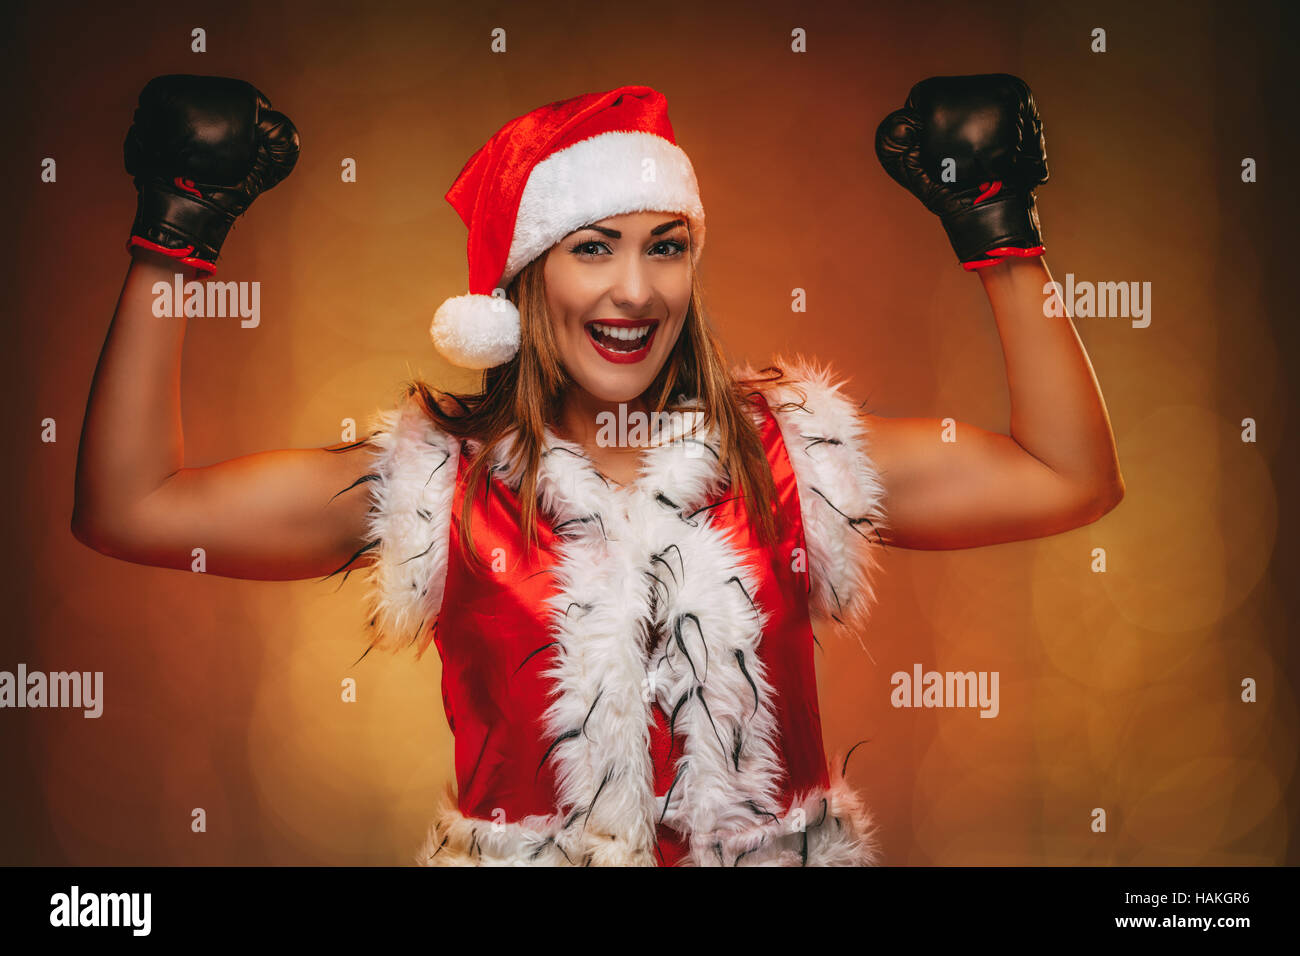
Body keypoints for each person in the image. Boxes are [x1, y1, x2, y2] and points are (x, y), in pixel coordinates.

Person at [72, 75, 1125, 867]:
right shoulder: (439, 486)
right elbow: (133, 505)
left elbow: (1064, 474)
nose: (635, 289)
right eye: (591, 248)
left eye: (666, 246)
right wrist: (176, 236)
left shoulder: (791, 458)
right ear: (522, 282)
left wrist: (1000, 231)